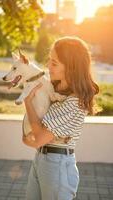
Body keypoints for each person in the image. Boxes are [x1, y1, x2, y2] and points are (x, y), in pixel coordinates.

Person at [22, 36, 99, 200]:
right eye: (49, 60)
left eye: (54, 63)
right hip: (42, 159)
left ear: (71, 67)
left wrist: (28, 102)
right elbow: (35, 135)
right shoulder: (55, 93)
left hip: (56, 165)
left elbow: (39, 138)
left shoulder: (74, 102)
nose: (48, 66)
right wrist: (33, 137)